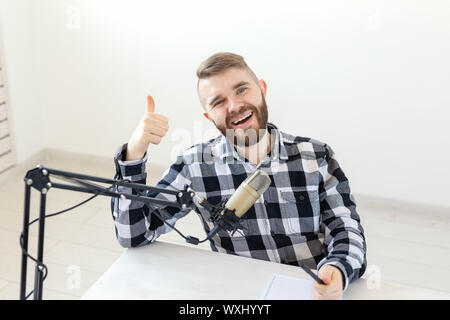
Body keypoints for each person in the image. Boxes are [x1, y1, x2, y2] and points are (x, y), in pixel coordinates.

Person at [111, 52, 367, 300]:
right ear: (208, 116)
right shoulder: (194, 165)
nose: (234, 106)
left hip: (310, 292)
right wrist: (134, 153)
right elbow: (134, 235)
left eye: (242, 89)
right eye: (218, 102)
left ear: (262, 88)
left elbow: (346, 228)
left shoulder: (316, 156)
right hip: (240, 296)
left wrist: (338, 268)